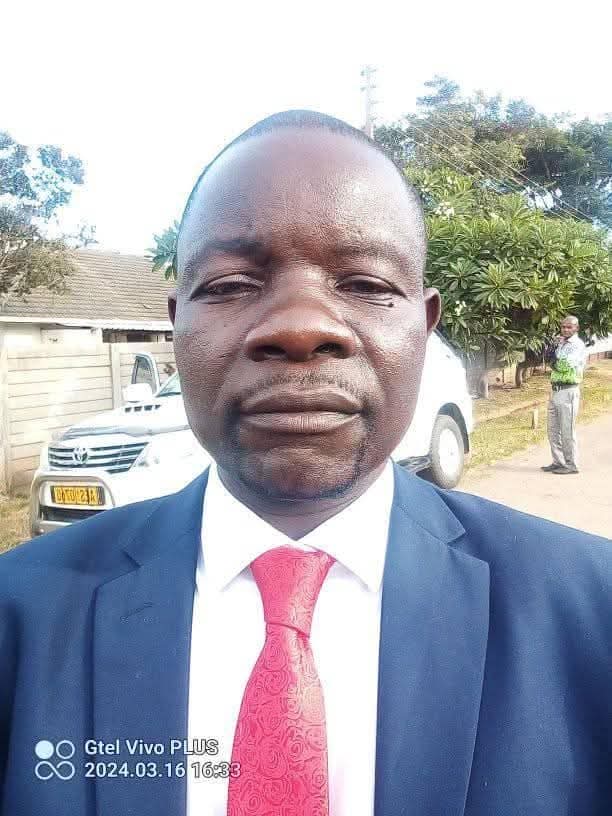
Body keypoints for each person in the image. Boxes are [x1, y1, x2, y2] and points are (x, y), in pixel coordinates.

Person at [1, 111, 611, 816]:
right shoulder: (21, 617)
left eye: (365, 283)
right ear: (176, 326)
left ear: (424, 327)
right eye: (230, 284)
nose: (300, 327)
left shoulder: (592, 612)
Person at [541, 315, 588, 474]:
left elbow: (564, 365)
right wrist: (553, 355)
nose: (566, 330)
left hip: (568, 391)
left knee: (567, 430)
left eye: (569, 327)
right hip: (555, 390)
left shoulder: (577, 345)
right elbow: (550, 360)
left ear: (576, 328)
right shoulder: (560, 343)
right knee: (553, 430)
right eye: (563, 327)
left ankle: (571, 465)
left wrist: (553, 361)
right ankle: (558, 461)